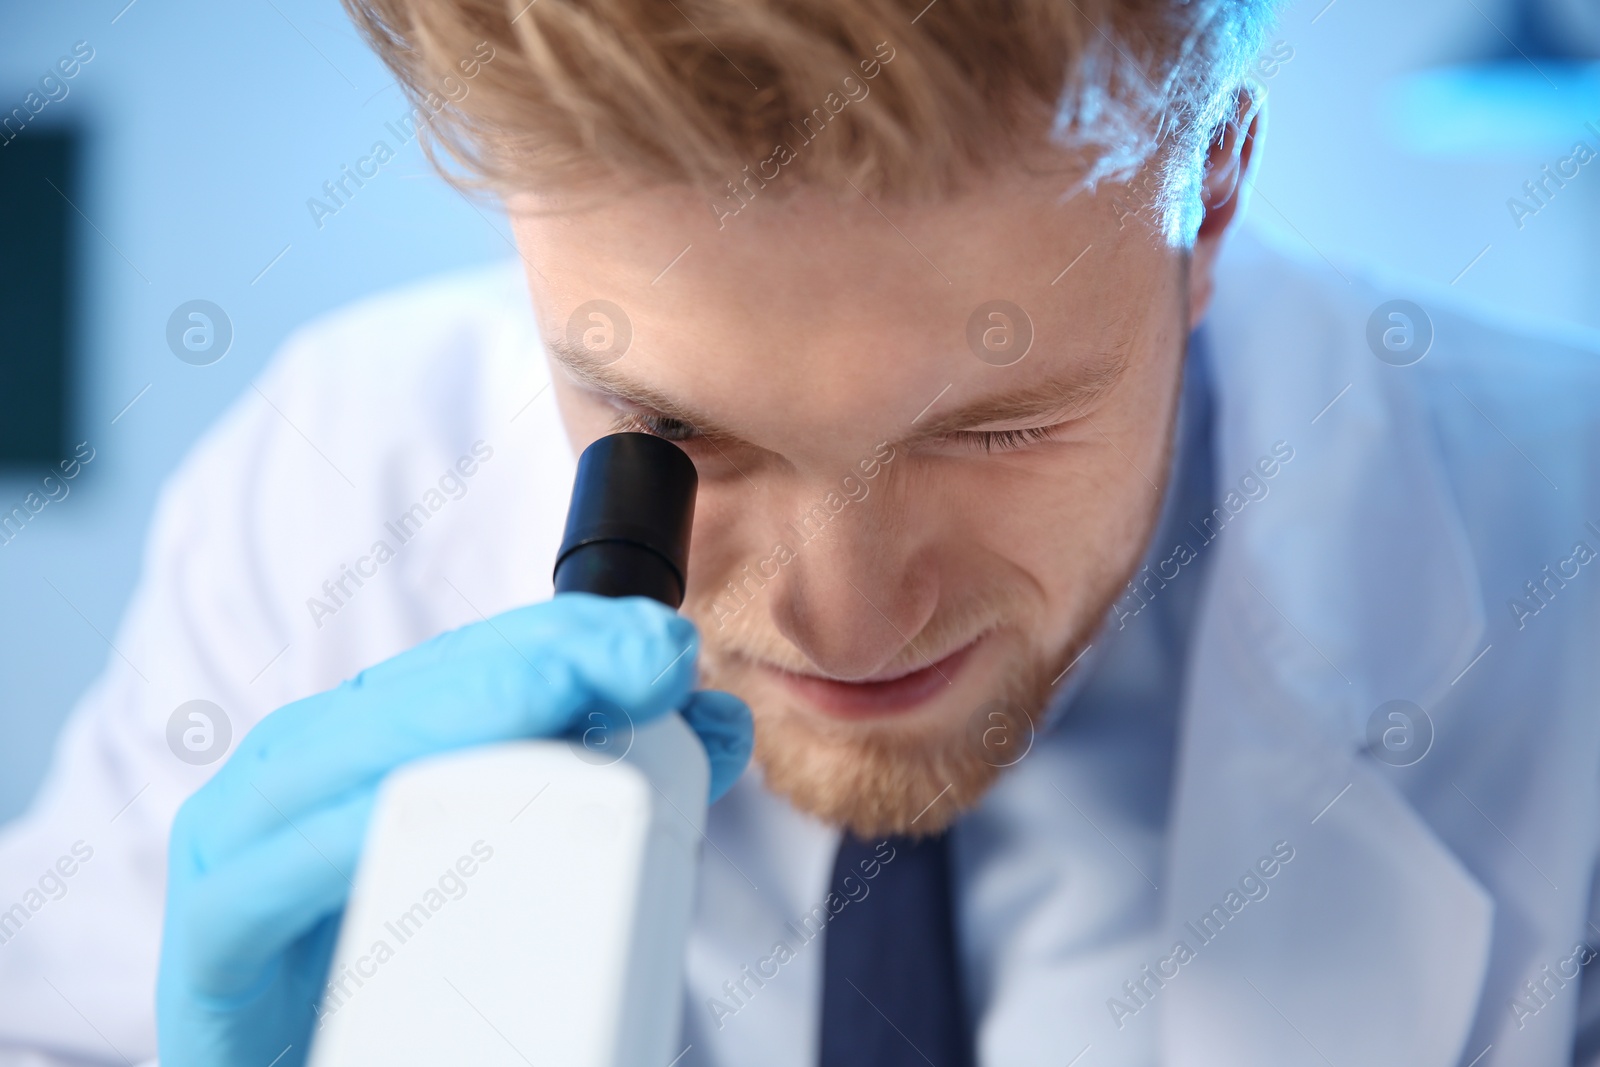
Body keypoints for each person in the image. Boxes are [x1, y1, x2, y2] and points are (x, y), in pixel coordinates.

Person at [2, 0, 1598, 1064]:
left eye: (996, 426)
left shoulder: (1561, 534)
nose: (844, 624)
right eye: (673, 433)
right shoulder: (329, 487)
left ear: (1217, 188)